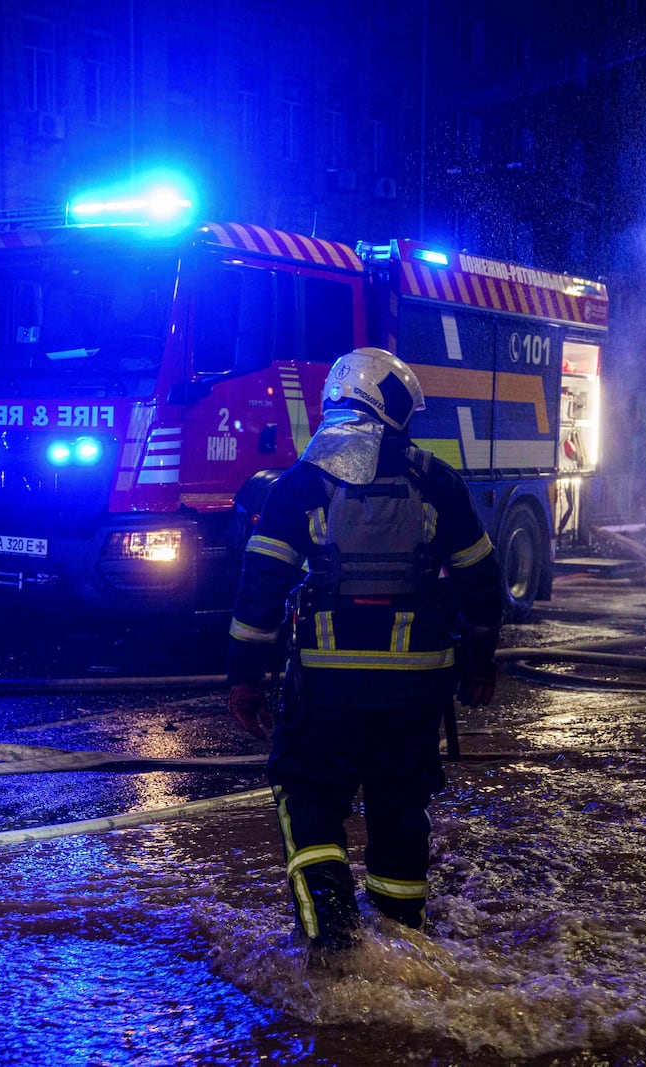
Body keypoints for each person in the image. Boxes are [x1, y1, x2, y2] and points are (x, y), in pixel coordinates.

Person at [224, 347, 503, 963]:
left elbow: (259, 594)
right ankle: (404, 948)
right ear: (391, 406)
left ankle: (333, 940)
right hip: (415, 692)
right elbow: (482, 586)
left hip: (325, 688)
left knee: (306, 793)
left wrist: (245, 679)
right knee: (400, 805)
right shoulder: (437, 480)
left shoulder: (299, 485)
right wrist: (480, 661)